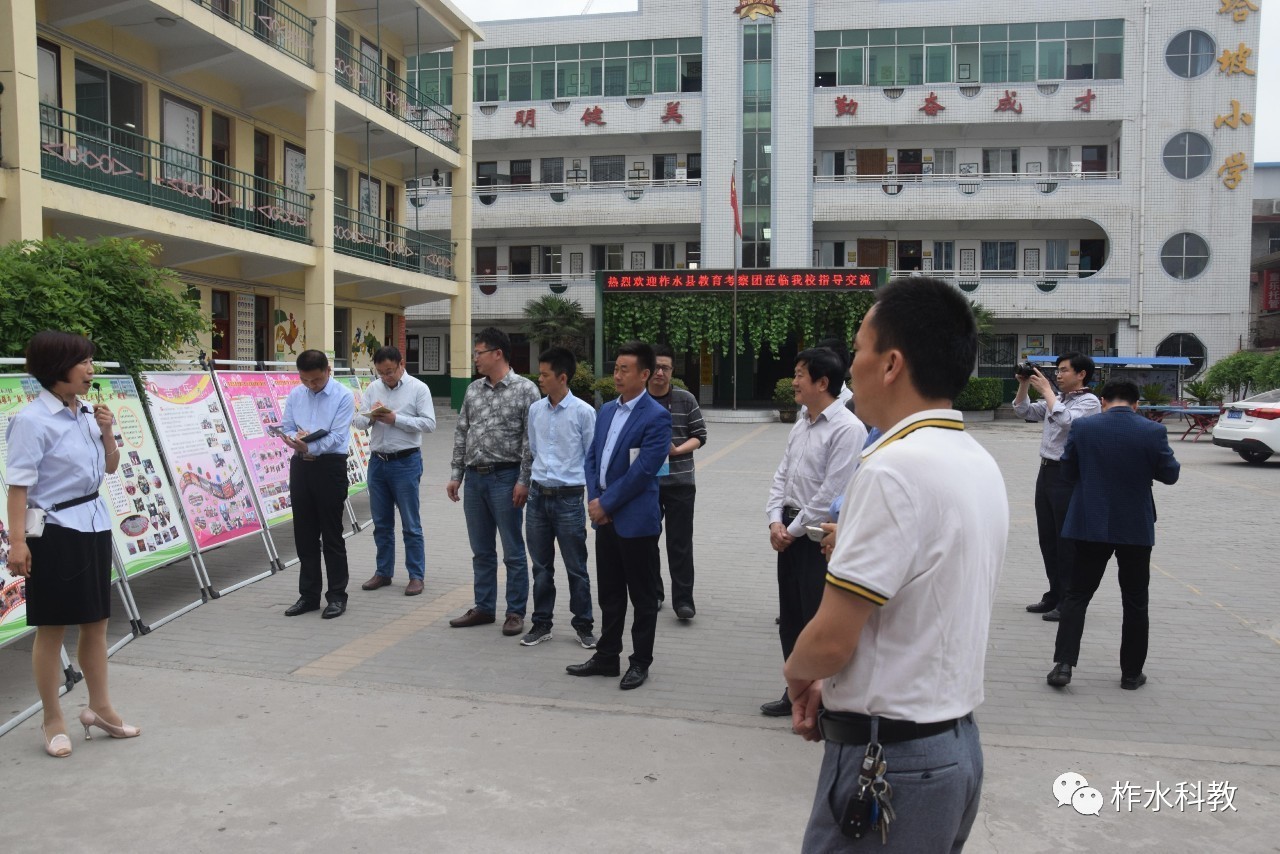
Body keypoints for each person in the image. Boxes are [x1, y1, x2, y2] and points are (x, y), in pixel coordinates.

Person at [786, 278, 1008, 852]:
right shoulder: (975, 458)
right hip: (953, 747)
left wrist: (799, 676)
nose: (850, 363)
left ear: (890, 364)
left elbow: (832, 640)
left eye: (858, 349)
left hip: (891, 760)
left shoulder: (890, 469)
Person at [4, 331, 140, 757]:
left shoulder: (86, 414)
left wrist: (107, 433)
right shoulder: (31, 421)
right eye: (82, 361)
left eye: (90, 361)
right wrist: (18, 543)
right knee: (52, 628)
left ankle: (101, 709)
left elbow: (111, 467)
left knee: (96, 622)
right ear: (56, 367)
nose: (90, 369)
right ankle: (52, 719)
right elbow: (18, 488)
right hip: (55, 529)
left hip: (95, 524)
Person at [1046, 380, 1180, 691]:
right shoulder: (1153, 431)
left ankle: (1064, 665)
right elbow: (1170, 474)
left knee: (1077, 595)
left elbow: (1067, 472)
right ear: (1137, 404)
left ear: (1103, 400)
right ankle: (1131, 674)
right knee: (1135, 601)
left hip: (1089, 523)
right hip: (1135, 526)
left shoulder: (1085, 428)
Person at [761, 347, 866, 718]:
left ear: (823, 382)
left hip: (817, 540)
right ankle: (796, 691)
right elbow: (782, 474)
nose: (794, 381)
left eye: (800, 374)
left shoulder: (848, 429)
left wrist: (789, 529)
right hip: (789, 533)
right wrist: (775, 519)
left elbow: (831, 493)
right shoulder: (802, 421)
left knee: (815, 621)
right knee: (790, 618)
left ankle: (827, 699)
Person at [567, 341, 671, 690]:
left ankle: (640, 662)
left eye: (625, 369)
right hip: (605, 518)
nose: (618, 374)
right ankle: (607, 656)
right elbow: (592, 458)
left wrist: (606, 504)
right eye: (616, 368)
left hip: (635, 521)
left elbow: (643, 471)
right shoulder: (607, 411)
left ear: (645, 374)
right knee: (610, 593)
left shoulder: (657, 416)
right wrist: (595, 501)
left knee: (642, 598)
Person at [447, 327, 541, 637]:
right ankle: (484, 608)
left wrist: (524, 480)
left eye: (479, 353)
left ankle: (515, 612)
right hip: (474, 479)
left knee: (513, 551)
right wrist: (456, 475)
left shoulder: (526, 389)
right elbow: (463, 431)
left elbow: (530, 439)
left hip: (506, 477)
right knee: (481, 550)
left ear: (497, 354)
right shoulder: (473, 389)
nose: (475, 358)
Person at [1013, 352, 1101, 621]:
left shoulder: (1089, 402)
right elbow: (1023, 410)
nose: (1058, 375)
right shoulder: (1059, 399)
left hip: (1067, 476)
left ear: (1081, 374)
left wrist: (1048, 392)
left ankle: (1068, 600)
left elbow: (1068, 422)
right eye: (1058, 371)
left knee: (1066, 541)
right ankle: (1054, 593)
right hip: (1046, 472)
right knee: (1048, 539)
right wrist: (1025, 384)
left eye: (1064, 370)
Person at [520, 347, 597, 649]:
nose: (539, 379)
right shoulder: (536, 410)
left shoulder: (584, 413)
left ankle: (584, 625)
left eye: (545, 374)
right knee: (540, 567)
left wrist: (594, 501)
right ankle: (542, 624)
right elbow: (533, 450)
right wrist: (527, 483)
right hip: (538, 498)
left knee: (576, 566)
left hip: (569, 500)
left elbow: (591, 459)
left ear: (562, 378)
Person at [279, 350, 356, 620]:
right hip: (301, 466)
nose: (311, 385)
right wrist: (292, 439)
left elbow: (336, 436)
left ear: (328, 371)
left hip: (330, 467)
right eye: (305, 380)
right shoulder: (296, 394)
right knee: (304, 534)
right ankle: (309, 595)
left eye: (316, 380)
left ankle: (337, 596)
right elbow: (286, 425)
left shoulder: (343, 396)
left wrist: (308, 443)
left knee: (332, 534)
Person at [354, 346, 436, 596]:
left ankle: (416, 575)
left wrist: (395, 419)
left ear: (401, 364)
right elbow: (358, 422)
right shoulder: (373, 388)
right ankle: (383, 572)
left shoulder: (418, 388)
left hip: (406, 462)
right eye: (380, 373)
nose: (386, 377)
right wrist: (369, 417)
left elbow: (429, 424)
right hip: (378, 462)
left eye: (389, 371)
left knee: (411, 523)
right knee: (381, 523)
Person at [647, 343, 707, 620]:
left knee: (680, 543)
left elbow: (700, 435)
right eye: (657, 367)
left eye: (666, 368)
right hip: (646, 484)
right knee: (647, 542)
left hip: (680, 482)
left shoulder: (685, 399)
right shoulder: (638, 400)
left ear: (672, 371)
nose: (660, 372)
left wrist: (677, 450)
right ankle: (654, 593)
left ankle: (683, 601)